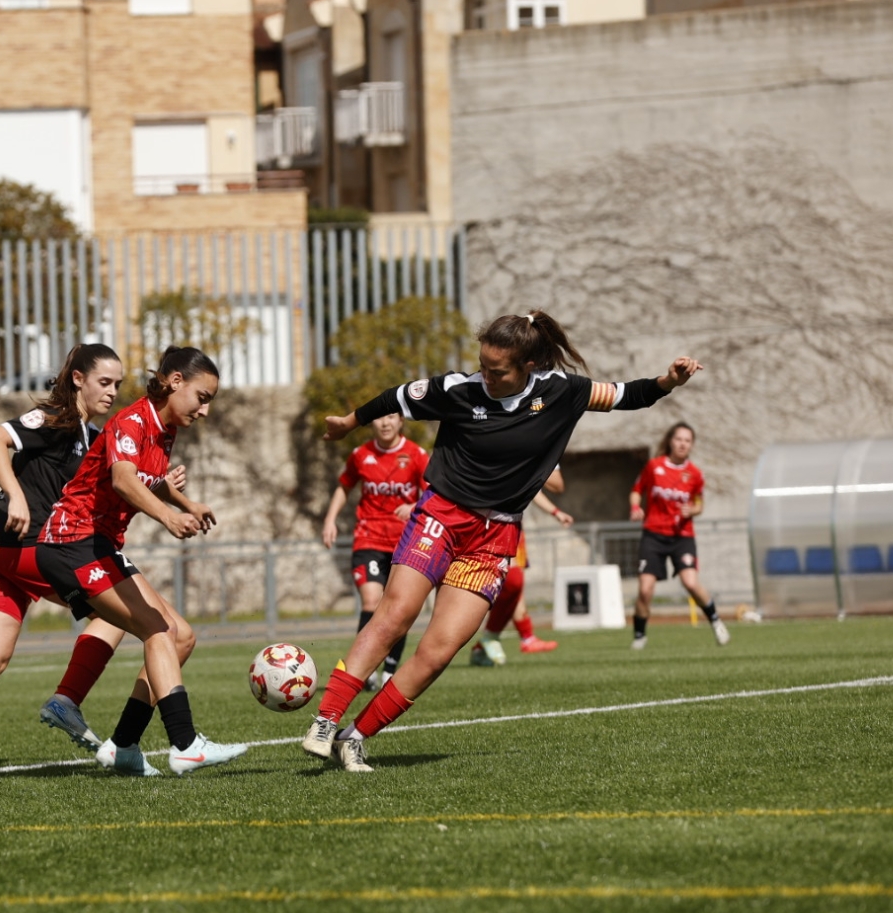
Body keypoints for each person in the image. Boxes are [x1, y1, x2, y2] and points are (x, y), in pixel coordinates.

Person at [301, 312, 702, 772]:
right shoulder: (459, 389)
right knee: (396, 614)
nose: (486, 376)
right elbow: (396, 396)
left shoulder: (562, 391)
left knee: (439, 651)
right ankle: (326, 720)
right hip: (440, 515)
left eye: (498, 370)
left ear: (528, 366)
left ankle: (355, 738)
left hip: (495, 537)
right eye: (482, 365)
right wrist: (348, 422)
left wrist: (668, 380)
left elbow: (628, 395)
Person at [0, 345, 197, 778]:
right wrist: (17, 495)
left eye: (117, 384)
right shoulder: (57, 418)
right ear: (78, 379)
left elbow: (121, 479)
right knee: (127, 610)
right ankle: (68, 700)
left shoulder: (92, 437)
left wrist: (167, 487)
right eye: (104, 382)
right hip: (23, 547)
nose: (113, 392)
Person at [36, 346, 247, 777]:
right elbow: (123, 478)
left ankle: (124, 746)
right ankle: (185, 744)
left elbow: (150, 478)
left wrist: (186, 501)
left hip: (99, 544)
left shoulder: (165, 430)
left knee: (181, 636)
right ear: (174, 383)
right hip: (70, 541)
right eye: (202, 397)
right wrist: (169, 516)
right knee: (157, 629)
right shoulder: (132, 420)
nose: (204, 410)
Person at [321, 413, 428, 688]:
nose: (384, 423)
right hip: (368, 539)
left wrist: (414, 507)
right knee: (371, 602)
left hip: (404, 543)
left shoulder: (416, 454)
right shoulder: (360, 455)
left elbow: (433, 494)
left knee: (399, 607)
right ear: (371, 423)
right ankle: (361, 670)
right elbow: (344, 486)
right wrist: (330, 519)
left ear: (401, 421)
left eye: (391, 417)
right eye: (379, 418)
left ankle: (390, 669)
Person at [629, 423, 729, 649]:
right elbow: (637, 491)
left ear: (691, 445)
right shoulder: (654, 467)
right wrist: (635, 508)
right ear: (670, 441)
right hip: (653, 534)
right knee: (645, 589)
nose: (683, 444)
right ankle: (639, 636)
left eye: (688, 440)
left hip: (682, 536)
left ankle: (716, 621)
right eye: (679, 439)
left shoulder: (694, 474)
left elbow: (699, 504)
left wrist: (692, 510)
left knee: (690, 583)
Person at [469, 469, 573, 666]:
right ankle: (496, 638)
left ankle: (501, 642)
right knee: (511, 584)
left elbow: (550, 485)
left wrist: (555, 512)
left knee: (515, 587)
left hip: (511, 525)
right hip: (483, 523)